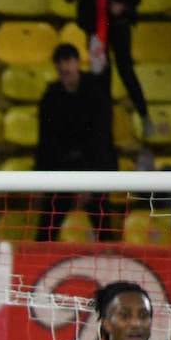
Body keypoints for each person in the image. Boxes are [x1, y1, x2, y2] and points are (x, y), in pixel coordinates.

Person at [35, 43, 115, 242]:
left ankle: (111, 258)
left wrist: (89, 179)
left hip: (94, 168)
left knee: (103, 227)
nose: (64, 67)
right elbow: (45, 142)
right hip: (60, 168)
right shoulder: (50, 97)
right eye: (59, 63)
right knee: (47, 228)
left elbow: (101, 140)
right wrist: (39, 178)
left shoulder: (96, 94)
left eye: (68, 61)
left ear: (78, 63)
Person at [64, 0, 151, 136]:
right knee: (101, 77)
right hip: (95, 28)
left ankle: (144, 116)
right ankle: (104, 130)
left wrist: (122, 7)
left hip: (119, 27)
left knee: (126, 71)